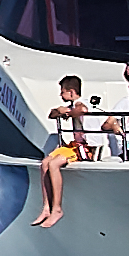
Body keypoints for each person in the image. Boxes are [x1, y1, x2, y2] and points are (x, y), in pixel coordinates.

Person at [34, 76, 90, 228]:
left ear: (71, 92)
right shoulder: (71, 105)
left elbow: (82, 110)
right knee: (45, 163)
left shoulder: (81, 103)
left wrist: (69, 112)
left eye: (62, 91)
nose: (60, 94)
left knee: (54, 165)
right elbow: (51, 114)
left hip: (84, 147)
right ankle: (47, 206)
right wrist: (60, 111)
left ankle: (57, 208)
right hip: (73, 145)